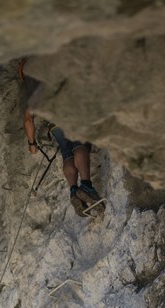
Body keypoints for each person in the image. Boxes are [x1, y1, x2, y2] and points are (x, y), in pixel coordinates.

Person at [19, 59, 103, 217]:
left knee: (67, 153)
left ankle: (73, 191)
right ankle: (85, 185)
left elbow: (28, 120)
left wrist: (32, 143)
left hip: (53, 122)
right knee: (80, 144)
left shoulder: (29, 92)